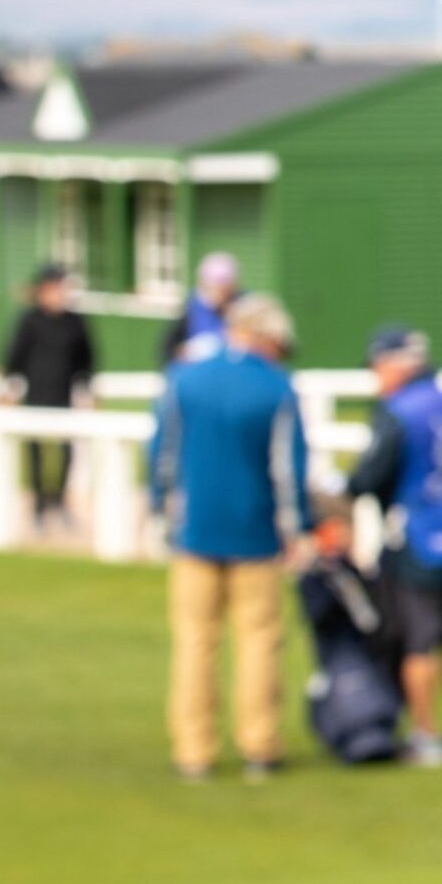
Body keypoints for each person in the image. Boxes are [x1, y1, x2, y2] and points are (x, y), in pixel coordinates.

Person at [147, 293, 320, 782]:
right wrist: (298, 528)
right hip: (255, 533)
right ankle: (259, 744)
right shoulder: (276, 388)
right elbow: (289, 469)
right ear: (265, 335)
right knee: (259, 641)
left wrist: (160, 508)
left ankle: (193, 750)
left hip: (194, 532)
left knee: (194, 643)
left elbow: (162, 451)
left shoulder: (186, 378)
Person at [342, 325, 442, 768]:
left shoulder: (398, 411)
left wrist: (342, 488)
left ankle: (426, 735)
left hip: (420, 537)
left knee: (419, 643)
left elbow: (370, 476)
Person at [0, 262, 95, 532]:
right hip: (36, 397)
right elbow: (13, 358)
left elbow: (86, 361)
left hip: (64, 398)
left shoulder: (75, 322)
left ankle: (61, 502)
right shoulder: (29, 320)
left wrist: (87, 391)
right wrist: (9, 389)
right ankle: (39, 507)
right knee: (36, 455)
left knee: (66, 454)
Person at [160, 251, 240, 365]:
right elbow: (168, 348)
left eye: (225, 288)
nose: (220, 293)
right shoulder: (190, 308)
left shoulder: (243, 307)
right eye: (216, 287)